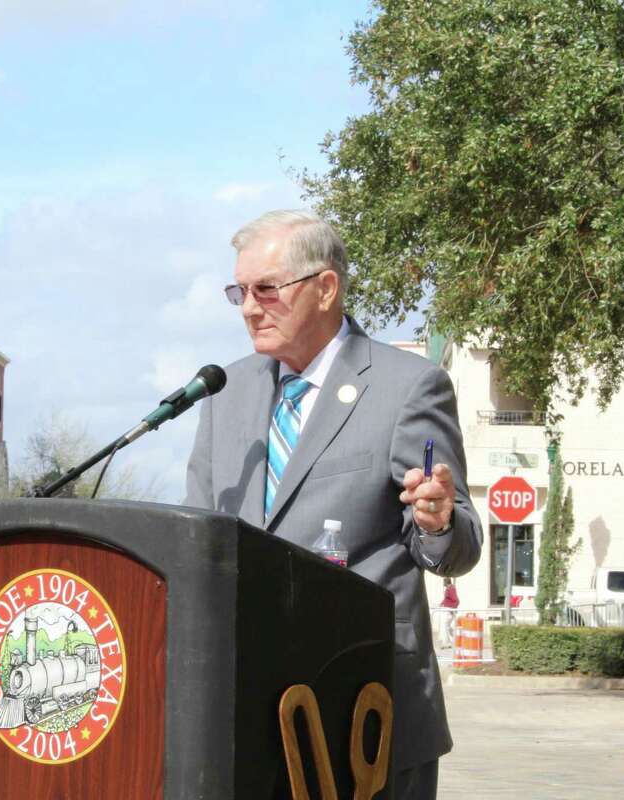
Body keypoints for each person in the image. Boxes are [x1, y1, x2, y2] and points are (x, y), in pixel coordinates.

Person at [185, 209, 482, 799]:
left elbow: (458, 547)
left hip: (364, 707)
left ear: (326, 288)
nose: (248, 308)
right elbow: (195, 538)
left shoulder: (407, 386)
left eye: (266, 290)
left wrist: (438, 519)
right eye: (239, 292)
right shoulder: (224, 391)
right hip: (245, 706)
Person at [438, 577, 460, 648]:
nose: (443, 583)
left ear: (446, 582)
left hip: (449, 610)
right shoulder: (449, 589)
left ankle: (448, 642)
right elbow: (446, 599)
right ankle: (452, 641)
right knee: (448, 626)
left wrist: (452, 610)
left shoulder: (450, 589)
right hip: (447, 609)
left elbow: (456, 600)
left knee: (446, 626)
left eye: (444, 582)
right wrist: (441, 603)